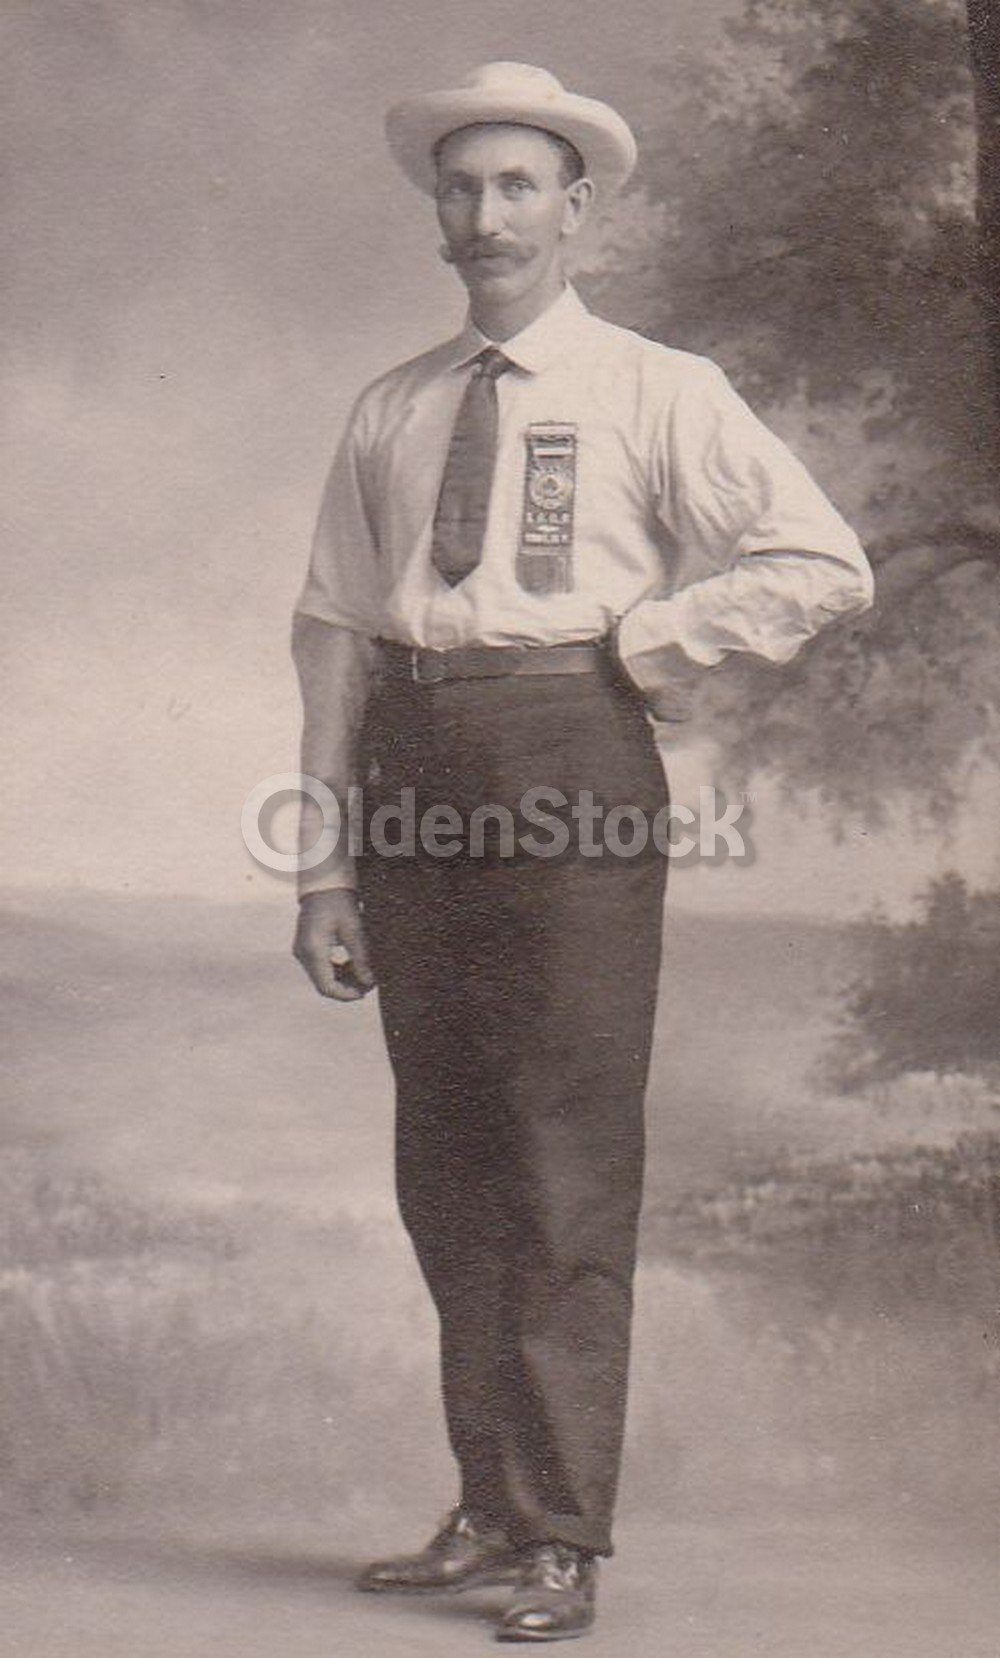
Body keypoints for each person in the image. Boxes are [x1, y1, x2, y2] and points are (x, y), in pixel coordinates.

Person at [291, 61, 873, 1643]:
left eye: (518, 187)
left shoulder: (655, 387)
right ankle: (486, 1506)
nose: (486, 216)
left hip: (573, 759)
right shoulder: (393, 406)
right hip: (413, 761)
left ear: (576, 209)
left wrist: (649, 647)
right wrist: (325, 864)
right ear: (437, 212)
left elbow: (820, 558)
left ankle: (562, 1532)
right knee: (447, 1157)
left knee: (563, 1151)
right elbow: (335, 627)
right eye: (462, 188)